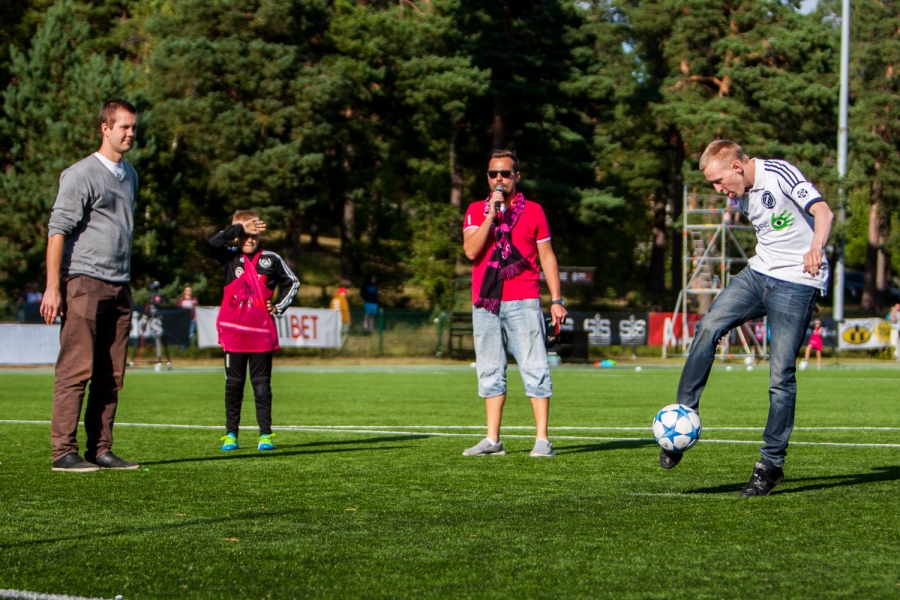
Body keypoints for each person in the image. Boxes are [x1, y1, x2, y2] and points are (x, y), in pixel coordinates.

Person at [663, 140, 834, 496]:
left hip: (798, 281)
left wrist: (816, 248)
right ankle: (682, 417)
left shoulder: (780, 173)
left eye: (719, 180)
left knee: (780, 375)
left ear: (738, 167)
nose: (718, 189)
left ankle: (770, 465)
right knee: (709, 326)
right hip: (759, 275)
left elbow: (824, 213)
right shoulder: (740, 194)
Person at [40, 99, 140, 472]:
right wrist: (54, 287)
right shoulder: (80, 174)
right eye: (124, 127)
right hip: (83, 282)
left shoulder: (130, 174)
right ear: (105, 128)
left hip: (120, 285)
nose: (130, 133)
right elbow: (57, 231)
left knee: (112, 375)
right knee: (75, 369)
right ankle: (62, 452)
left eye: (133, 127)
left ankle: (100, 449)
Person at [461, 149, 567, 458]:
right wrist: (490, 216)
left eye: (505, 174)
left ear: (516, 177)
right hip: (486, 301)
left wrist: (556, 299)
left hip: (524, 299)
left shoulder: (534, 211)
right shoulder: (475, 210)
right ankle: (492, 440)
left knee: (535, 368)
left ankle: (542, 439)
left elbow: (547, 257)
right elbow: (471, 251)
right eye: (493, 174)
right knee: (490, 369)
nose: (498, 179)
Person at [208, 210, 299, 452]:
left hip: (260, 333)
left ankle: (265, 435)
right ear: (238, 234)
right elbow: (212, 242)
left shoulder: (271, 259)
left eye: (254, 234)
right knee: (234, 385)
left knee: (261, 385)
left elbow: (293, 282)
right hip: (234, 334)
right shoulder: (229, 257)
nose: (250, 239)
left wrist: (278, 306)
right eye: (246, 234)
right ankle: (230, 434)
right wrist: (240, 227)